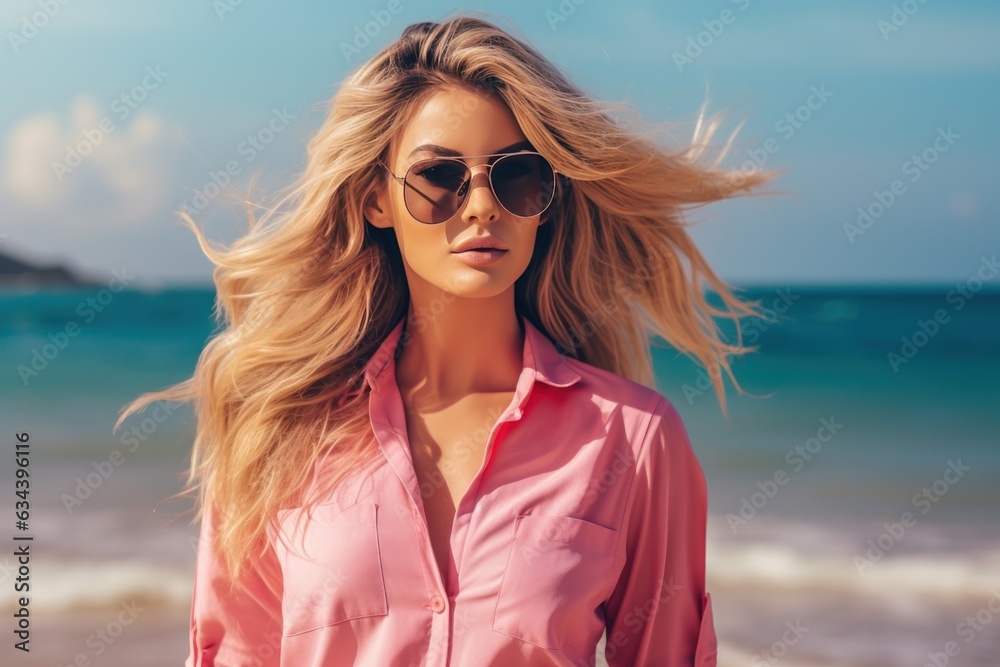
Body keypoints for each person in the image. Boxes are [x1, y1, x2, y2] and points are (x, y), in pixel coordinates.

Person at [116, 12, 773, 666]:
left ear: (547, 195)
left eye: (516, 173)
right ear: (378, 199)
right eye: (439, 176)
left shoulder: (634, 441)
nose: (483, 205)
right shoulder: (280, 430)